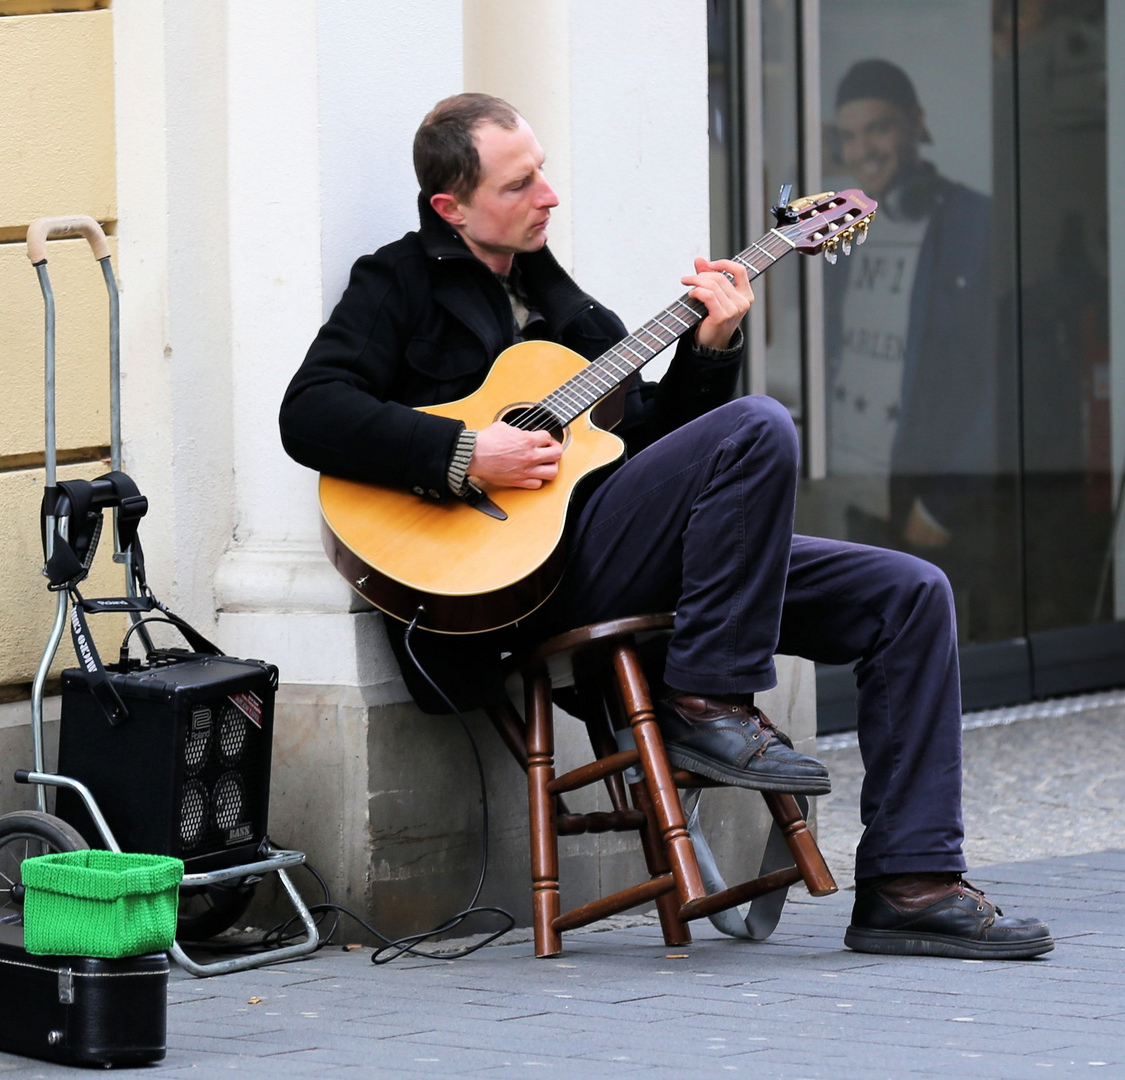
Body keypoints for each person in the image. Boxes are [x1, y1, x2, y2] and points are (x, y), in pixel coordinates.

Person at [278, 93, 1051, 959]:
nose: (548, 196)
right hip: (523, 580)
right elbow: (310, 414)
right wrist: (465, 453)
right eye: (520, 183)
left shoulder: (561, 302)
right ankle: (705, 699)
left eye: (543, 172)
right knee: (762, 424)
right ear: (450, 208)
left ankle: (910, 885)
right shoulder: (397, 282)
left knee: (910, 592)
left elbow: (660, 439)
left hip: (641, 552)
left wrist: (710, 348)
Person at [826, 59, 1012, 637]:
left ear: (915, 124)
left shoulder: (972, 222)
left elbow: (1004, 378)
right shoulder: (841, 229)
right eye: (849, 137)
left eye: (878, 129)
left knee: (930, 647)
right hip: (851, 490)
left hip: (923, 498)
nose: (864, 151)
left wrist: (945, 499)